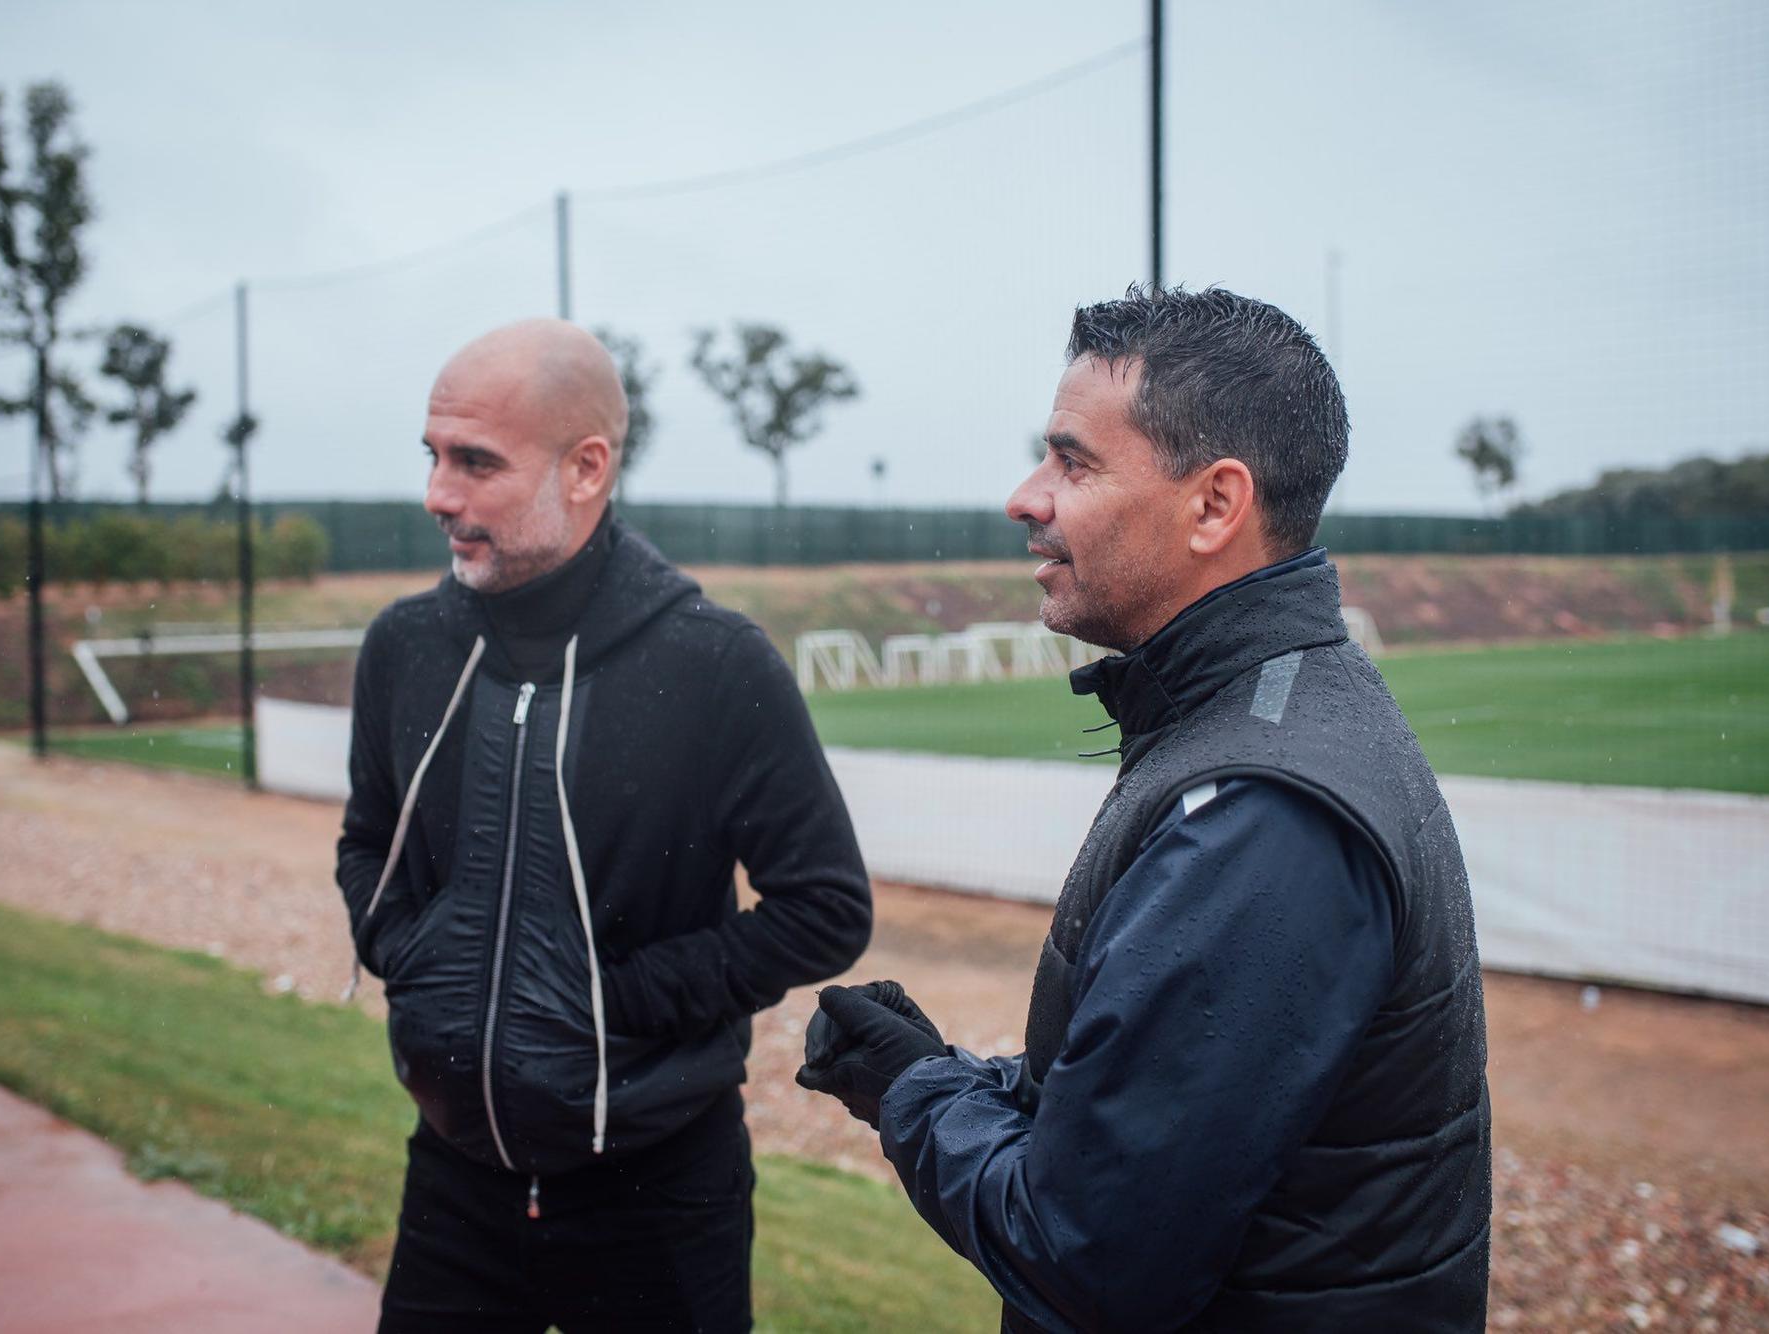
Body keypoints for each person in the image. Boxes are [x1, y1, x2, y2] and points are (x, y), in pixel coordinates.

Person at [796, 286, 1491, 1332]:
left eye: (1072, 461)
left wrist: (910, 1094)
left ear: (1213, 505)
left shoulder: (1256, 811)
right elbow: (1177, 1106)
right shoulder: (1276, 713)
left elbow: (1088, 1256)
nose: (1024, 498)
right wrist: (956, 1075)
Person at [338, 318, 872, 1333]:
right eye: (433, 456)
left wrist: (611, 998)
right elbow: (367, 844)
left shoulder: (715, 664)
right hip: (454, 1181)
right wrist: (420, 955)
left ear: (586, 467)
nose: (436, 494)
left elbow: (823, 908)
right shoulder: (404, 646)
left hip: (658, 1196)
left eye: (474, 461)